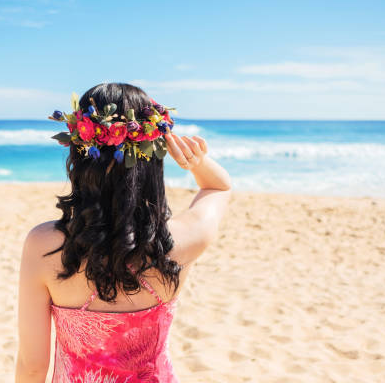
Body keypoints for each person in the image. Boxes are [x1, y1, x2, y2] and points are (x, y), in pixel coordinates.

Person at [15, 83, 232, 382]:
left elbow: (32, 366)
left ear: (80, 156)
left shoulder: (45, 246)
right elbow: (219, 187)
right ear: (153, 159)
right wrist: (196, 161)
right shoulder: (181, 240)